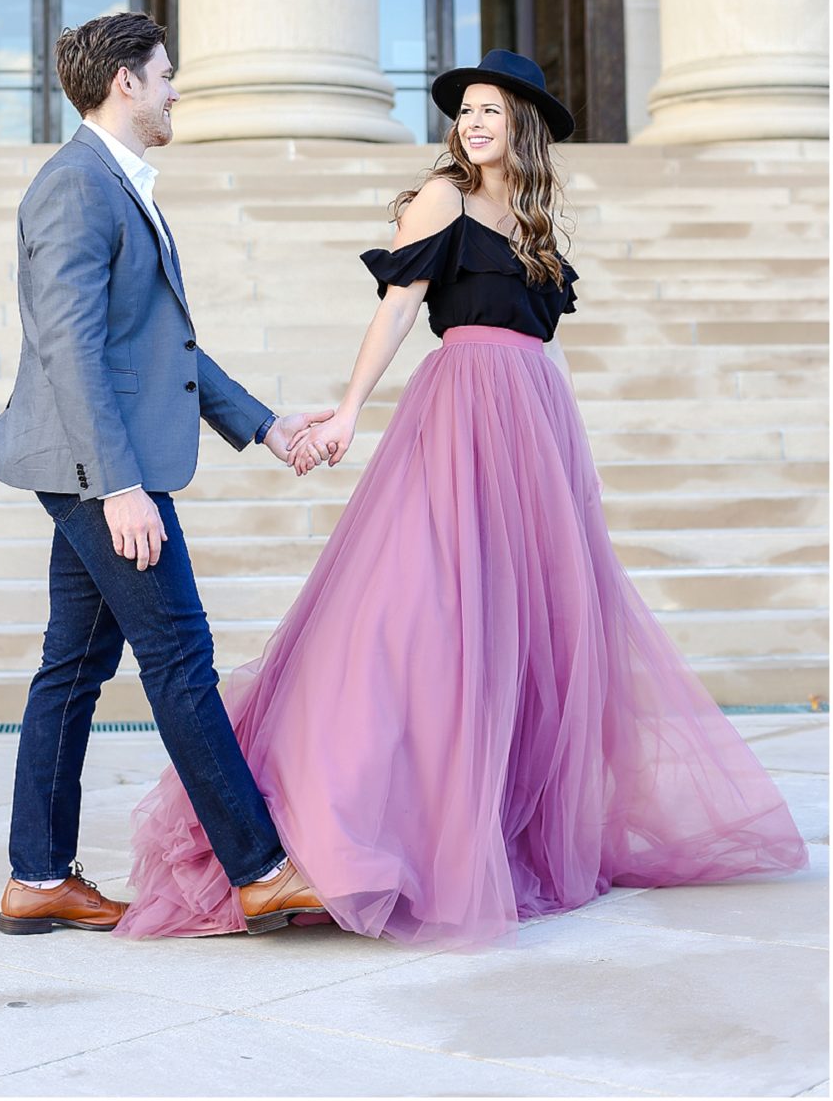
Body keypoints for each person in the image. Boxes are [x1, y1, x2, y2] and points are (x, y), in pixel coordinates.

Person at [113, 49, 809, 947]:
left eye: (489, 110)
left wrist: (560, 450)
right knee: (420, 613)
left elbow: (538, 338)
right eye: (465, 110)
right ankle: (351, 831)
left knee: (529, 625)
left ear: (520, 123)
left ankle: (498, 828)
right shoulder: (437, 197)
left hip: (534, 421)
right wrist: (349, 411)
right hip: (462, 413)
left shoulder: (531, 217)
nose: (472, 122)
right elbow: (398, 309)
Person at [0, 11, 334, 937]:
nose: (178, 88)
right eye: (167, 74)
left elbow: (162, 344)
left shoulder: (117, 183)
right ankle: (260, 871)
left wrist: (263, 426)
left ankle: (37, 877)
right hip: (100, 471)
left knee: (74, 665)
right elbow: (70, 348)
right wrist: (119, 486)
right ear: (126, 84)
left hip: (101, 465)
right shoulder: (77, 188)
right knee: (179, 659)